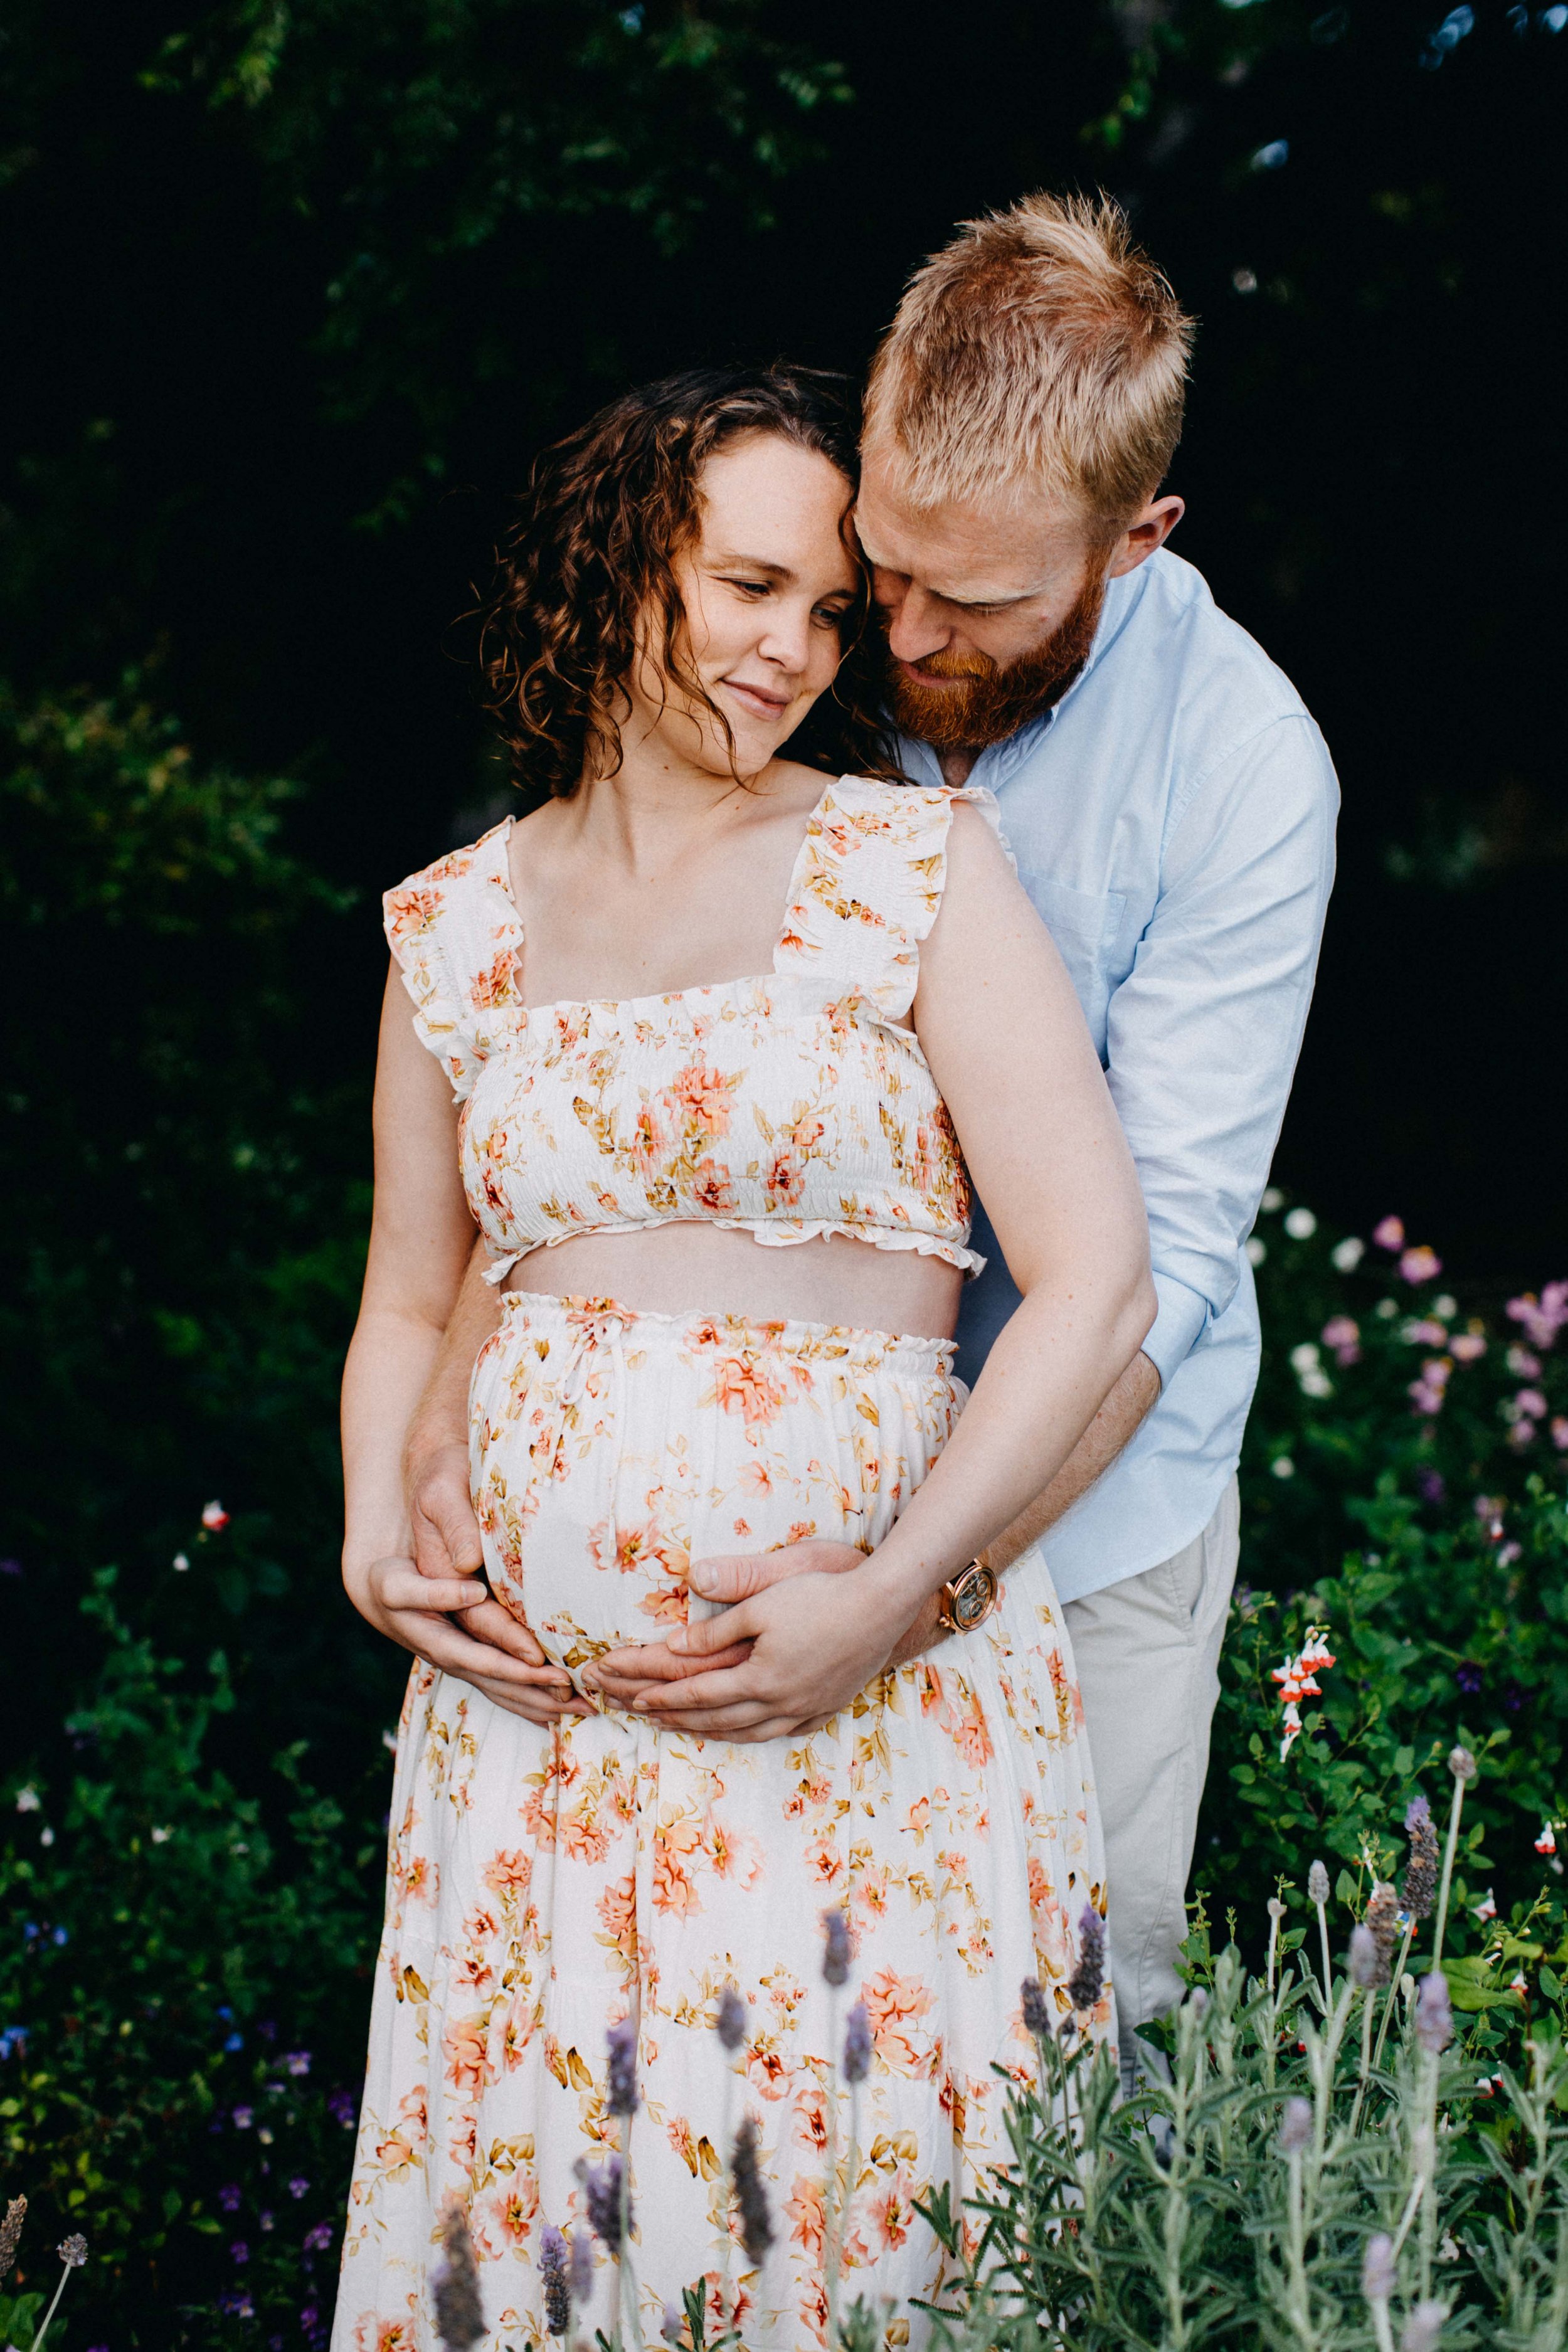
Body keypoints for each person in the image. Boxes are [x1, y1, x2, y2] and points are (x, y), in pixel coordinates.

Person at [408, 197, 1340, 2087]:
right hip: (692, 1626)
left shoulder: (1243, 772)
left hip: (1095, 1513)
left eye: (970, 607)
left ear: (1136, 537)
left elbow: (1147, 1264)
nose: (892, 642)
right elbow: (573, 1082)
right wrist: (449, 1399)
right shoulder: (805, 618)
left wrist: (911, 1588)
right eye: (873, 577)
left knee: (1058, 2075)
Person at [334, 363, 1154, 2348]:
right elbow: (413, 1295)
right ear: (620, 572)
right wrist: (373, 1526)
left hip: (858, 1712)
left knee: (848, 2226)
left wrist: (885, 1598)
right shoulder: (453, 928)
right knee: (546, 2227)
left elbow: (1099, 1282)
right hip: (534, 1741)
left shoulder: (912, 868)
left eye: (825, 608)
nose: (793, 649)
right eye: (746, 588)